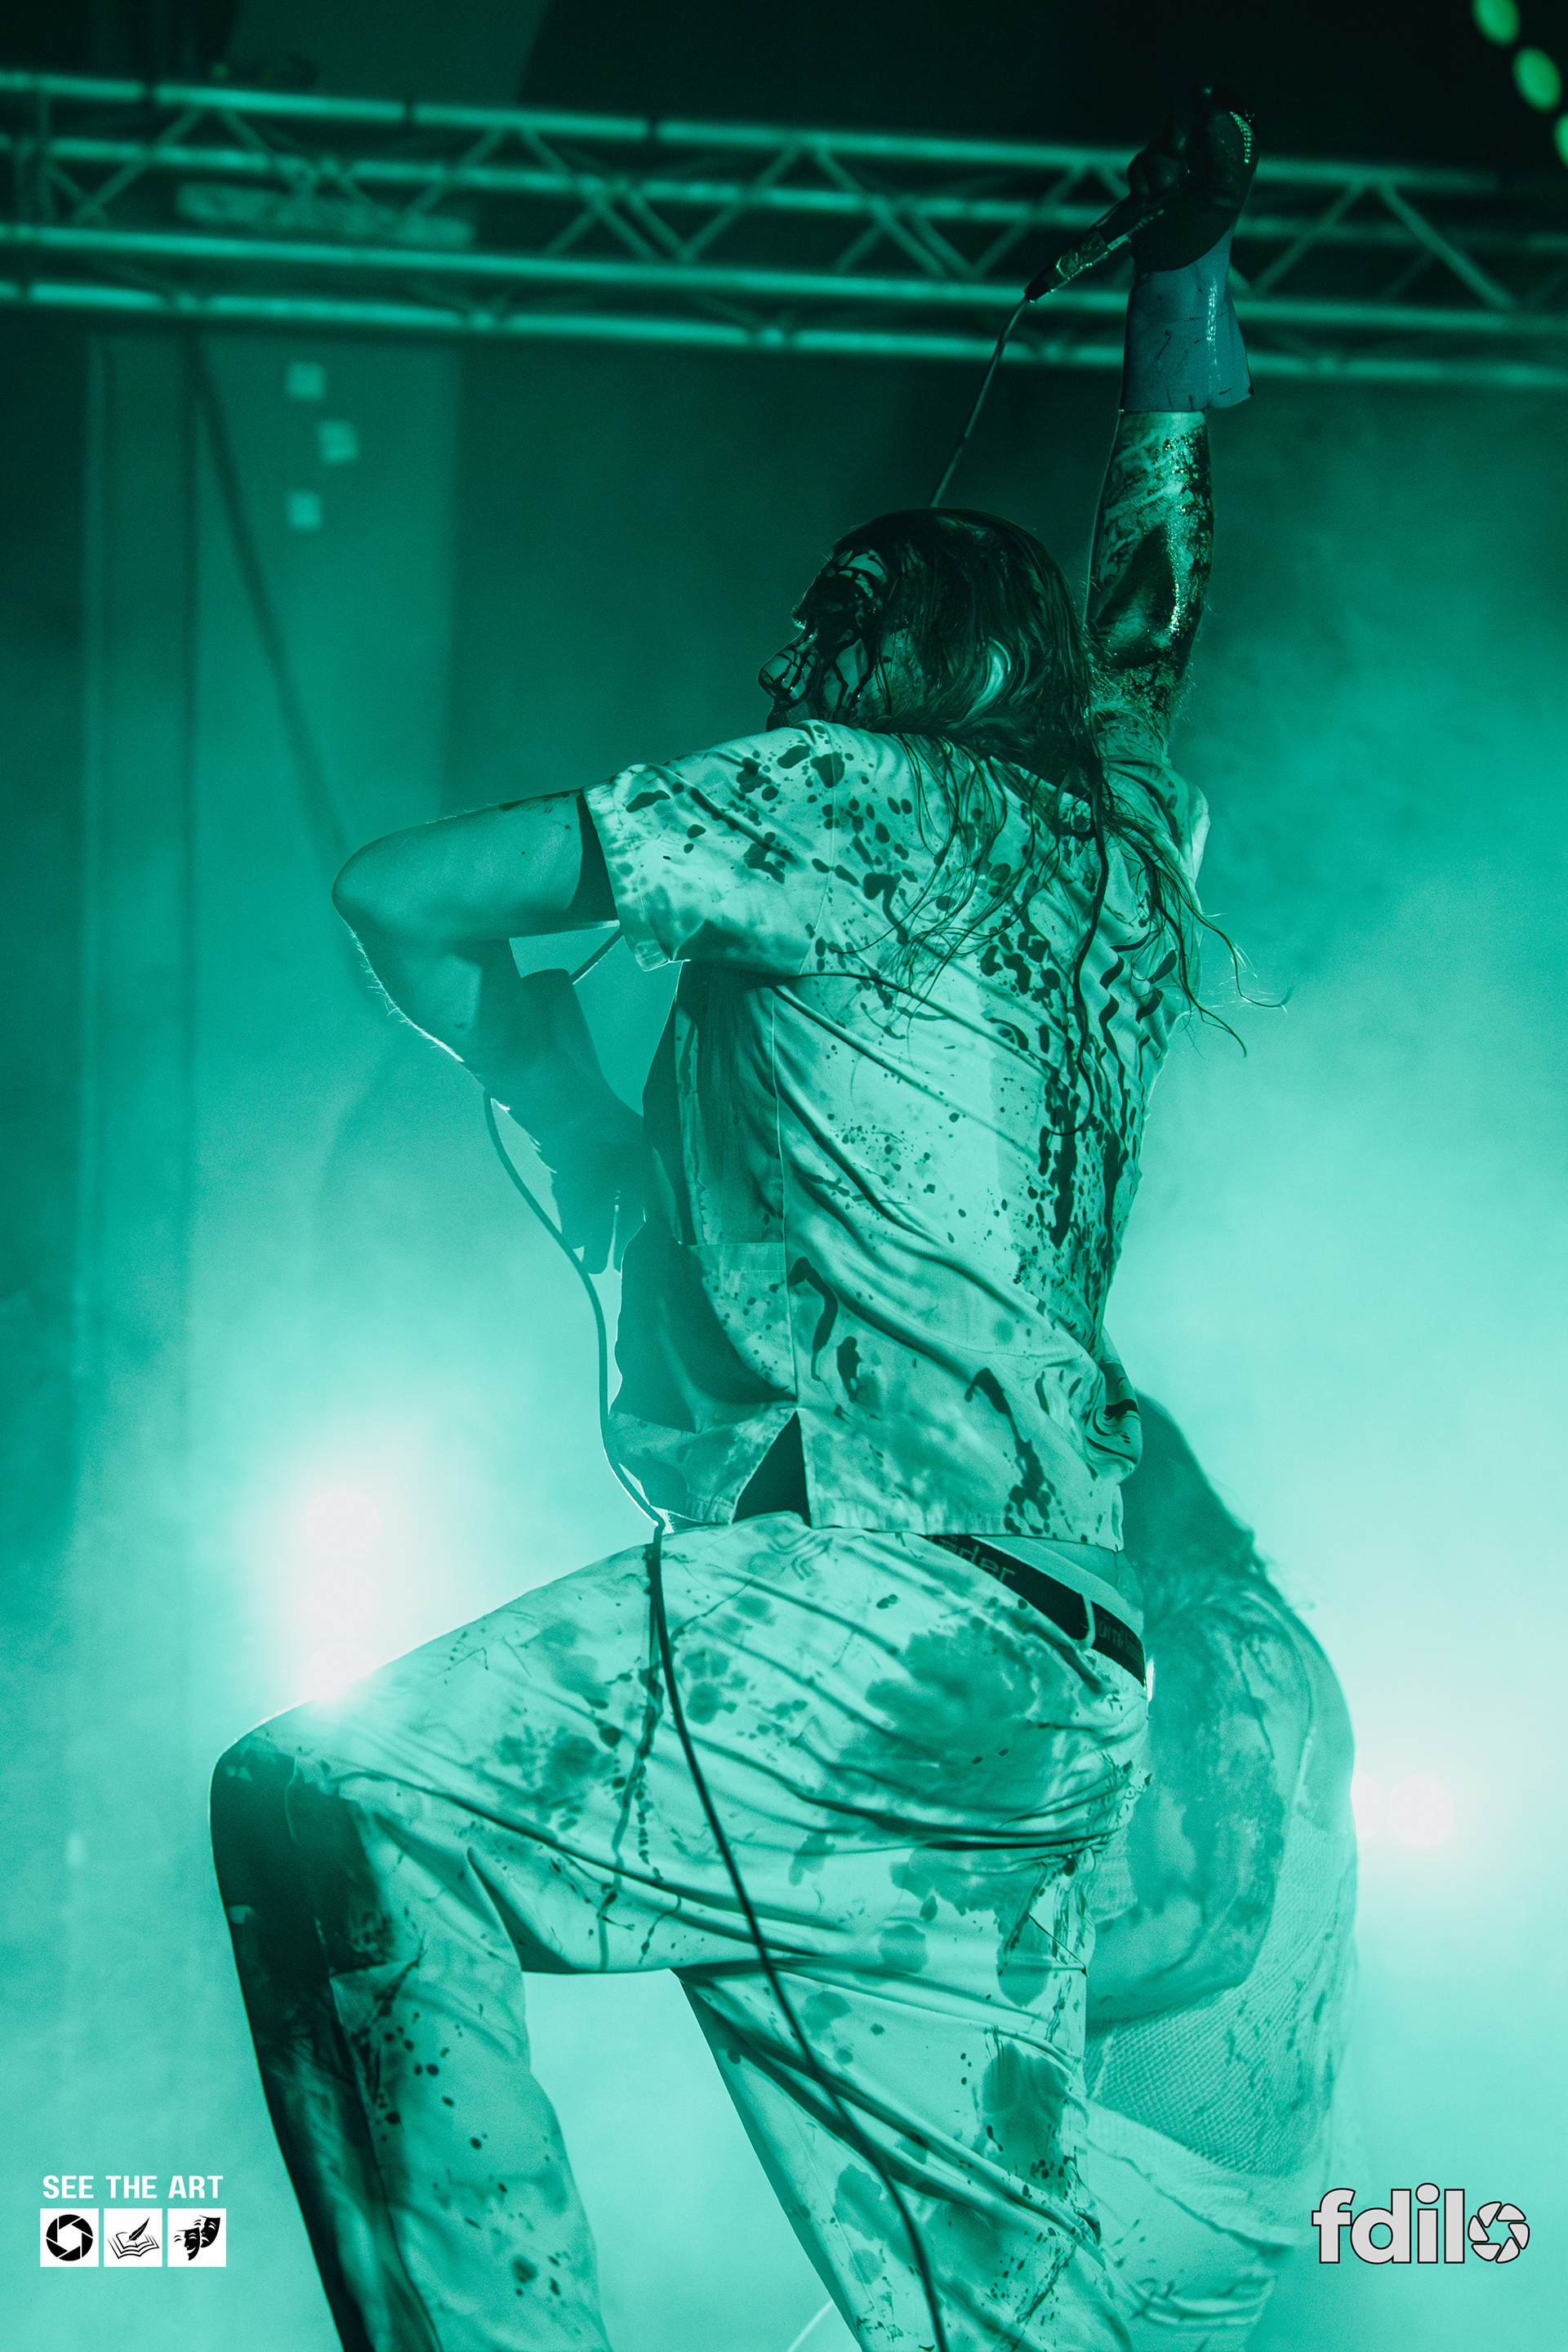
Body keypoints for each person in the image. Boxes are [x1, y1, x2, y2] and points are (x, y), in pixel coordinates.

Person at [210, 93, 1257, 2352]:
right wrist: (1180, 288)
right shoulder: (1110, 860)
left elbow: (400, 887)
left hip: (862, 1623)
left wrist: (618, 886)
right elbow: (1150, 613)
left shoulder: (847, 801)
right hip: (1044, 1693)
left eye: (835, 619)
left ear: (928, 656)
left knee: (332, 1804)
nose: (793, 654)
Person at [1080, 1402, 1359, 2348]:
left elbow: (1204, 1935)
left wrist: (976, 1992)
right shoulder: (1259, 1641)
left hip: (1140, 2182)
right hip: (1221, 2201)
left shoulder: (1224, 1645)